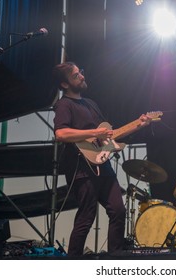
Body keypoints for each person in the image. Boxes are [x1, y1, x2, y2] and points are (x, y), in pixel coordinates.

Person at [52, 61, 152, 256]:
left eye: (80, 72)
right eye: (75, 75)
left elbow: (108, 135)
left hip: (102, 165)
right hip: (80, 167)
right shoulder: (64, 104)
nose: (81, 76)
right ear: (64, 84)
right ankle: (73, 264)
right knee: (86, 217)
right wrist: (94, 132)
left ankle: (115, 259)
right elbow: (61, 133)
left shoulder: (91, 104)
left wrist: (139, 124)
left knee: (118, 211)